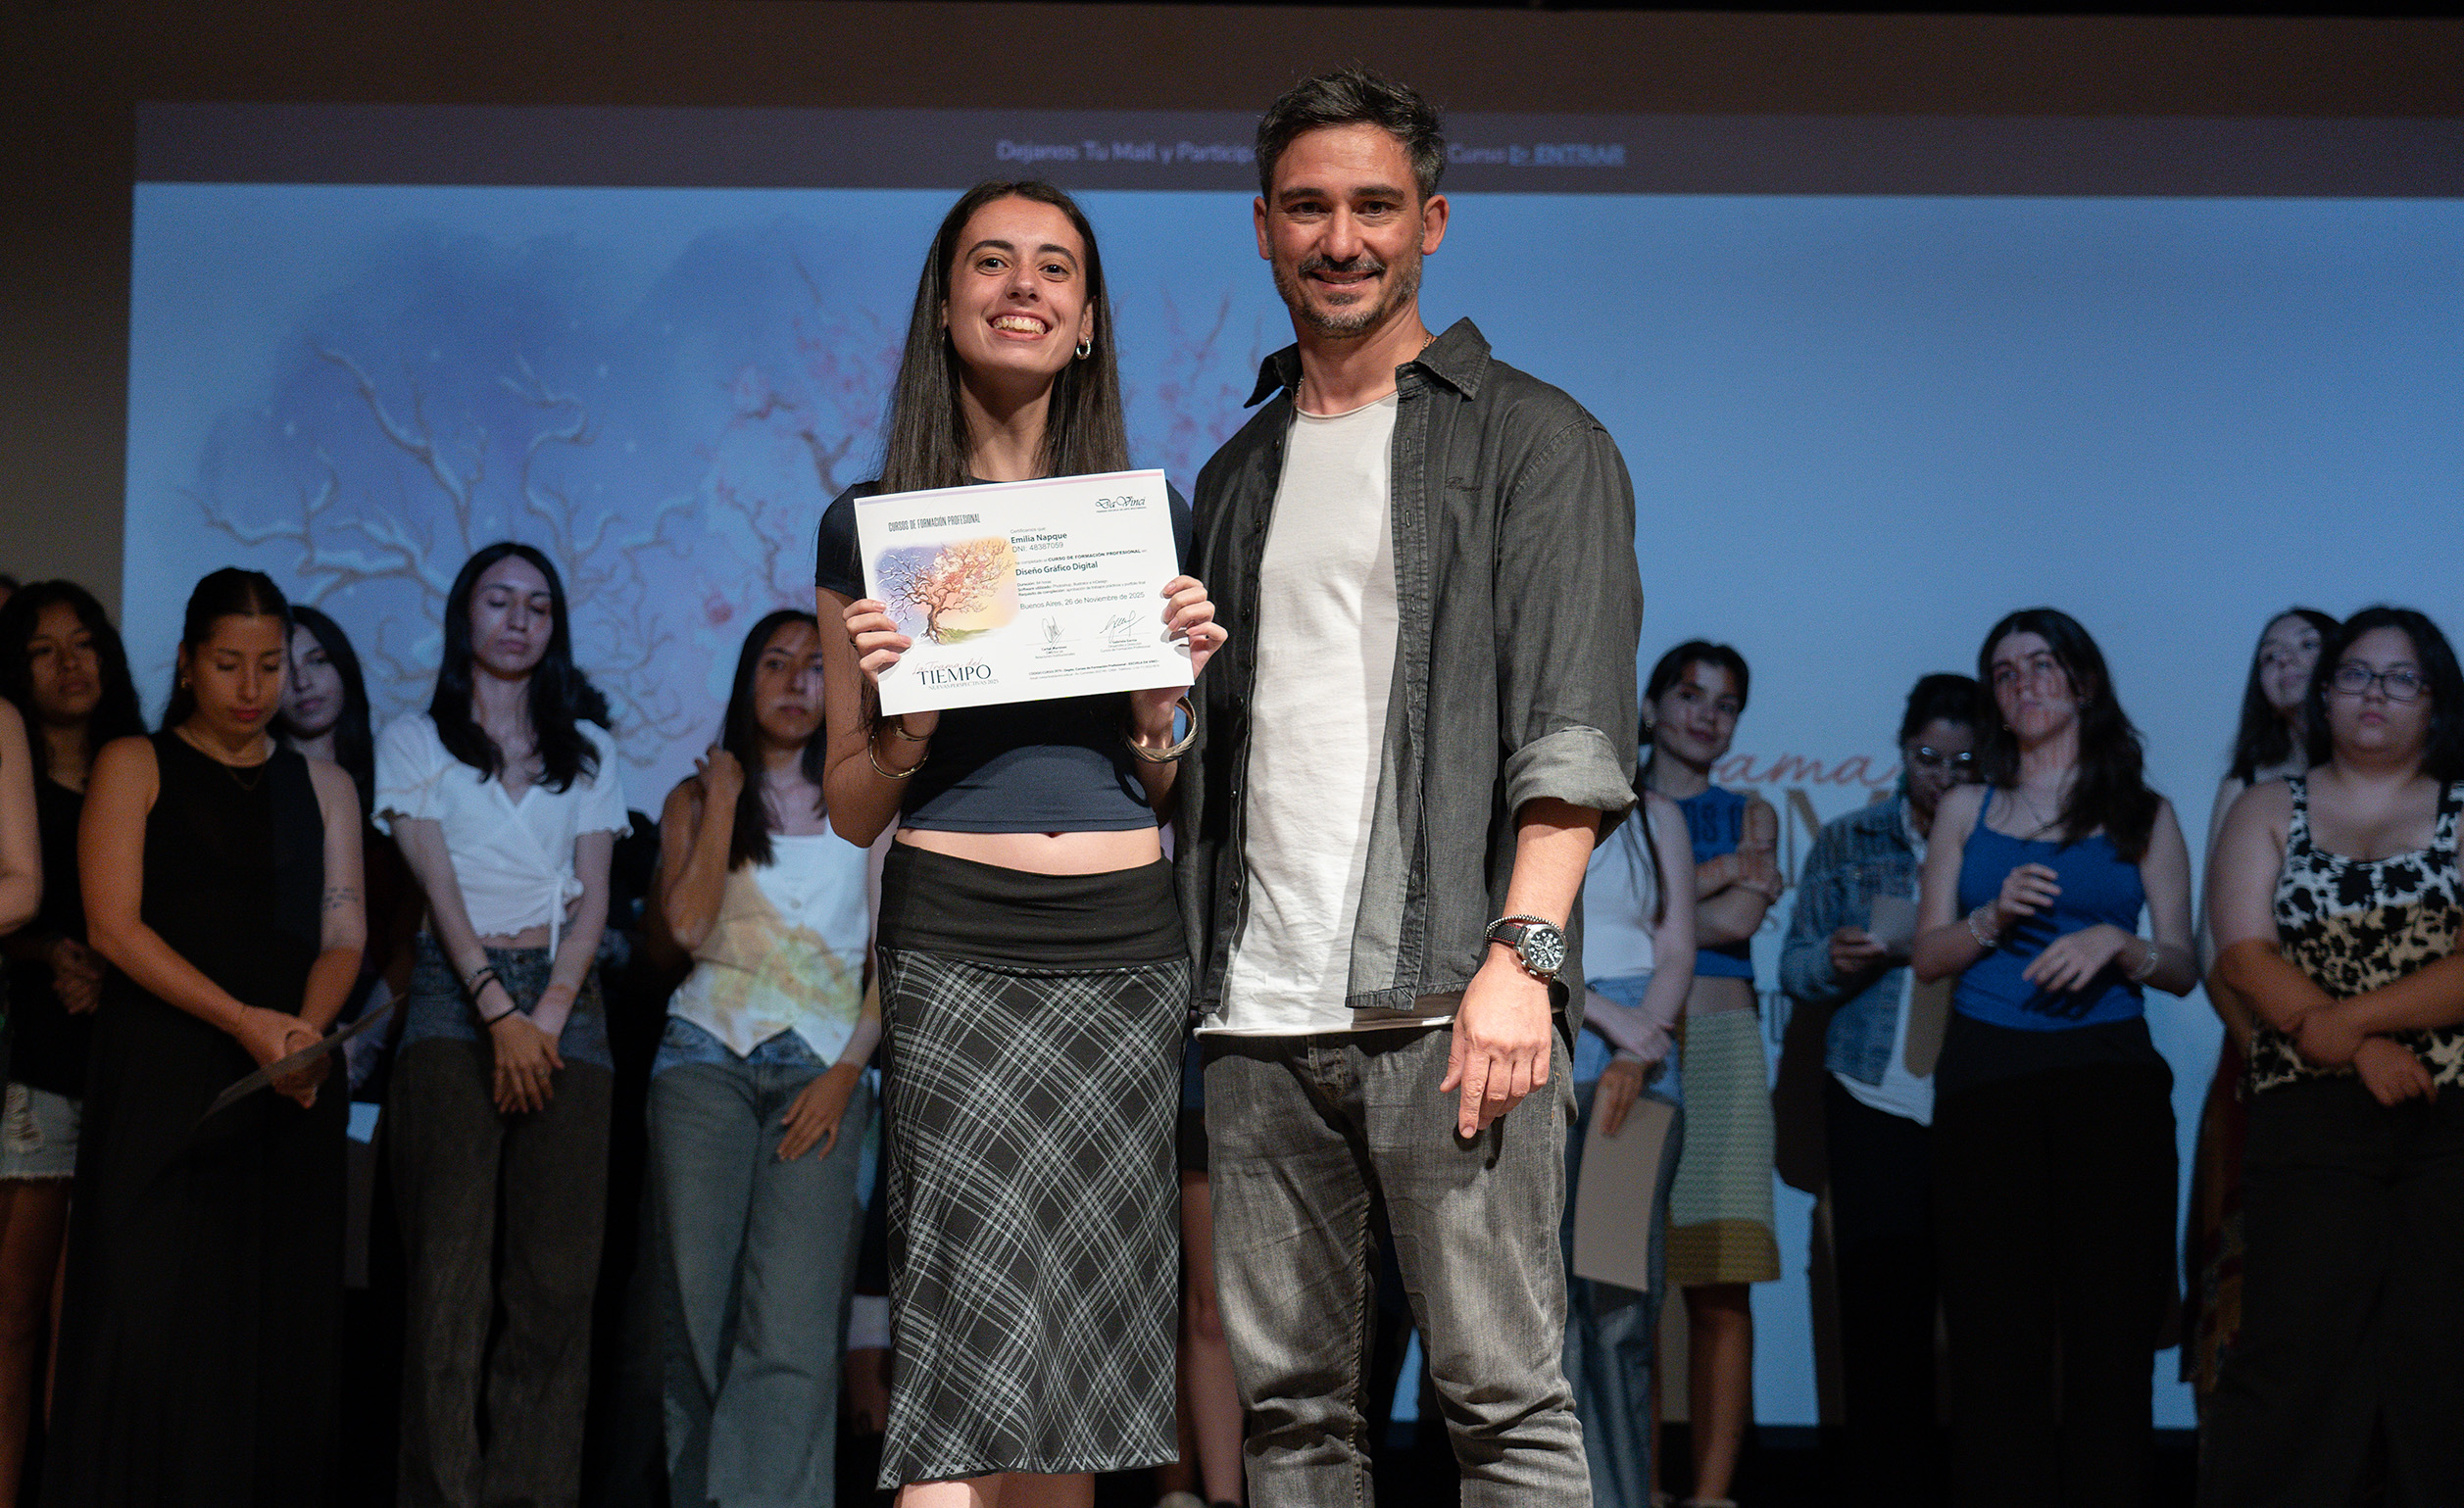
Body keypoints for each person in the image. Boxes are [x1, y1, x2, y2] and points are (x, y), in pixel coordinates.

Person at [1181, 68, 1643, 1507]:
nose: (1341, 240)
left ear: (1430, 222)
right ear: (1263, 225)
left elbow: (1571, 726)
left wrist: (1524, 957)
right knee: (1291, 1419)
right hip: (1260, 1016)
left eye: (1373, 207)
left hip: (1453, 999)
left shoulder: (1534, 437)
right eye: (1307, 208)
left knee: (1502, 1401)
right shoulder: (1237, 469)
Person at [813, 178, 1224, 1508]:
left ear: (1088, 319)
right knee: (965, 1346)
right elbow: (851, 805)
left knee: (1073, 1377)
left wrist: (1163, 714)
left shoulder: (1146, 523)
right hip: (957, 946)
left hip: (1123, 958)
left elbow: (1165, 780)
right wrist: (912, 723)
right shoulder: (872, 527)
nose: (1023, 286)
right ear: (945, 305)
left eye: (1054, 267)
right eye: (991, 261)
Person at [43, 567, 362, 1506]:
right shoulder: (134, 763)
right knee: (150, 1330)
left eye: (270, 664)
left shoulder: (327, 783)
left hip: (290, 1081)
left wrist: (303, 1035)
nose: (252, 687)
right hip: (168, 1078)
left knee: (278, 1331)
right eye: (229, 663)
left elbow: (344, 932)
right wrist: (244, 1022)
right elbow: (112, 927)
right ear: (186, 662)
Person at [1910, 608, 2194, 1508]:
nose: (2022, 683)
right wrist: (1992, 917)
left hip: (2108, 1076)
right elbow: (1928, 956)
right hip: (1987, 1077)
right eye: (2004, 672)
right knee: (1996, 1333)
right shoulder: (1968, 806)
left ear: (2083, 680)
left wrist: (2121, 942)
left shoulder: (2143, 811)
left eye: (2040, 664)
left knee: (2112, 1330)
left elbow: (2185, 964)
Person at [378, 542, 629, 1508]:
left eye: (538, 605)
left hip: (568, 1003)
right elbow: (436, 888)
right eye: (499, 601)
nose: (518, 620)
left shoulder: (590, 748)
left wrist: (547, 1016)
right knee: (449, 1283)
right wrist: (497, 1008)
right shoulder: (416, 738)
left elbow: (596, 897)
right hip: (456, 992)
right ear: (464, 616)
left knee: (555, 1287)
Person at [2196, 606, 2464, 1507]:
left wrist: (2347, 1026)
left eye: (2400, 677)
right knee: (2295, 1355)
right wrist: (2355, 1050)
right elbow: (2242, 956)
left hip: (2448, 1113)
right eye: (2354, 674)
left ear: (2435, 700)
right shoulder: (2269, 805)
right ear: (2324, 695)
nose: (2374, 693)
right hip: (2305, 1117)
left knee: (2442, 1355)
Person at [650, 608, 879, 1507]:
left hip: (823, 1069)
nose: (795, 682)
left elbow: (892, 957)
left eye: (816, 665)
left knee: (791, 1325)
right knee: (695, 1316)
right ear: (746, 680)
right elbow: (684, 928)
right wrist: (723, 798)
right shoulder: (699, 796)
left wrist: (847, 1070)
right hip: (703, 1061)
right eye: (775, 663)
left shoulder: (868, 804)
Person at [1778, 672, 1979, 1508]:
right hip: (1872, 1095)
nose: (1942, 776)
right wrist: (1837, 959)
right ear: (1903, 751)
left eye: (1962, 762)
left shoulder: (2000, 839)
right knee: (1878, 1316)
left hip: (1975, 1096)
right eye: (1928, 757)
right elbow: (1793, 966)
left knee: (1984, 1317)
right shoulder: (1850, 839)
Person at [0, 581, 143, 1500]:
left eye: (84, 642)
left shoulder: (147, 772)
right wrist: (52, 950)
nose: (69, 664)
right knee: (13, 1318)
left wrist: (111, 966)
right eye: (44, 649)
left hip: (129, 1067)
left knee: (93, 1326)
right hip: (37, 1061)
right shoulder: (6, 777)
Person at [1636, 640, 1779, 1508]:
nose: (1707, 715)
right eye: (1691, 695)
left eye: (1726, 704)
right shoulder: (1615, 803)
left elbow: (1735, 923)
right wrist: (1718, 875)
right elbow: (1631, 913)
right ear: (1653, 706)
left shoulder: (1752, 810)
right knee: (1629, 1287)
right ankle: (1640, 1487)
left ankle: (1712, 1494)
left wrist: (1677, 896)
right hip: (1636, 1040)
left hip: (1724, 1045)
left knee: (1722, 1284)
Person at [2181, 607, 2335, 1404]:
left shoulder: (2411, 781)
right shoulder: (2245, 785)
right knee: (2256, 1267)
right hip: (2259, 1050)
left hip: (2385, 1045)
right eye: (2270, 653)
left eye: (2307, 644)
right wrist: (2260, 1048)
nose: (2287, 661)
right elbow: (2214, 945)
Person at [1566, 776, 1695, 1508]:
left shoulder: (1658, 815)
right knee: (1547, 1305)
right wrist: (1605, 1015)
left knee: (1616, 1301)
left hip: (1640, 1052)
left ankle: (1624, 1496)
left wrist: (1636, 1039)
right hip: (1549, 1034)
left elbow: (1677, 948)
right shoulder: (1523, 802)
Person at [277, 603, 416, 1090]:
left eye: (318, 661)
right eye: (285, 667)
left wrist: (364, 1040)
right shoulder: (258, 789)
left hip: (382, 1018)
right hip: (280, 1015)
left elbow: (415, 936)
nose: (303, 682)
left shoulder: (395, 783)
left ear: (344, 668)